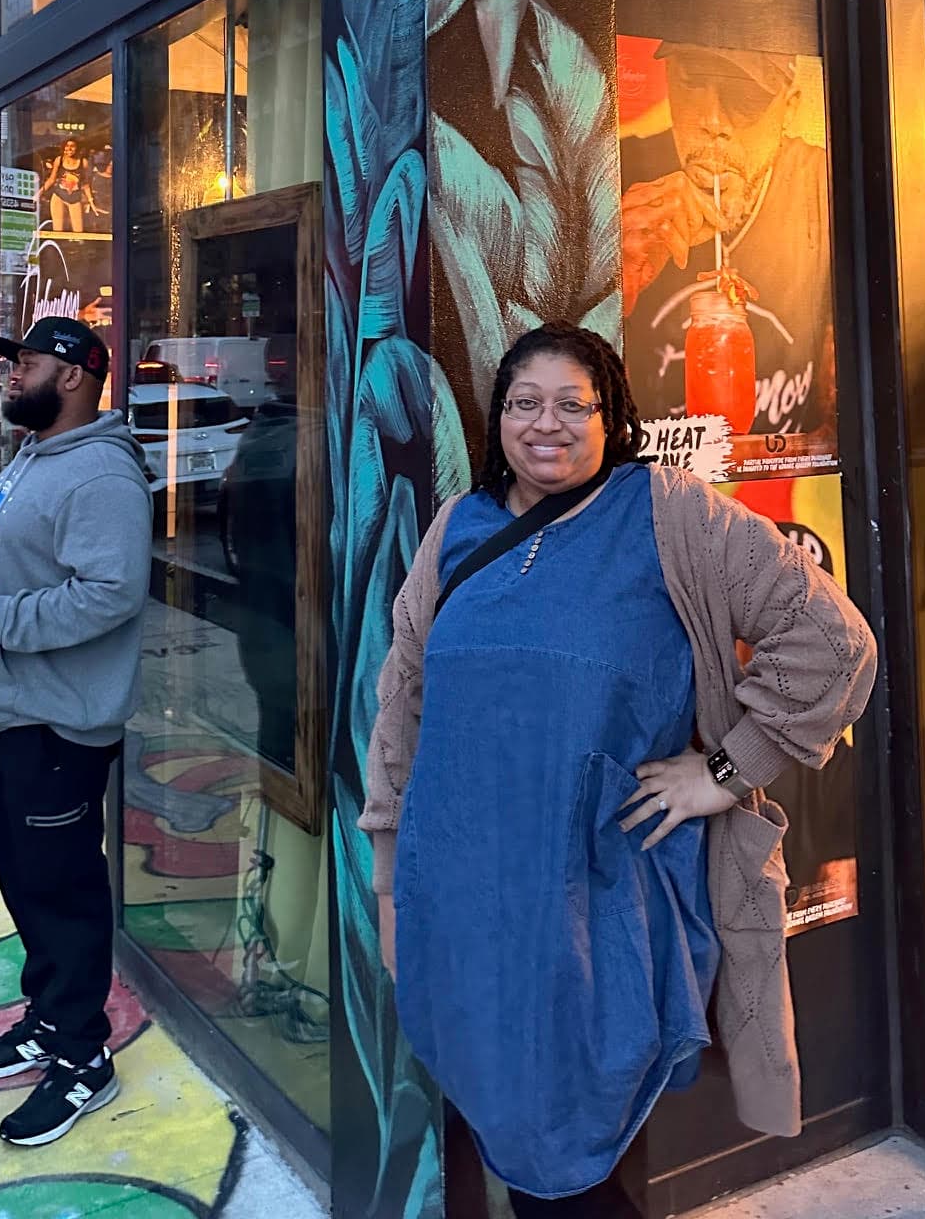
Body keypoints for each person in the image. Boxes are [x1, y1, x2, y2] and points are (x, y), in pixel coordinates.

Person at [362, 323, 876, 1217]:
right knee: (510, 1135)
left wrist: (724, 768)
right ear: (498, 420)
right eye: (525, 404)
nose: (546, 425)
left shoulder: (669, 515)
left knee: (578, 1155)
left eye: (573, 404)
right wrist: (392, 891)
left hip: (596, 906)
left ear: (613, 417)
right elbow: (402, 701)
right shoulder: (458, 528)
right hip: (463, 901)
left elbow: (835, 642)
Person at [0, 316, 152, 1149]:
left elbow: (111, 594)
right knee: (27, 880)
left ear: (71, 376)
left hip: (60, 721)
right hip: (15, 711)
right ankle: (46, 1017)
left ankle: (81, 1057)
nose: (10, 374)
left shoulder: (98, 474)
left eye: (24, 362)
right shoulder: (35, 457)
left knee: (63, 891)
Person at [621, 44, 834, 452]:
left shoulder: (823, 190)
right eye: (693, 82)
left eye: (746, 97)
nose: (713, 121)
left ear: (789, 108)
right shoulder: (613, 175)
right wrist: (611, 280)